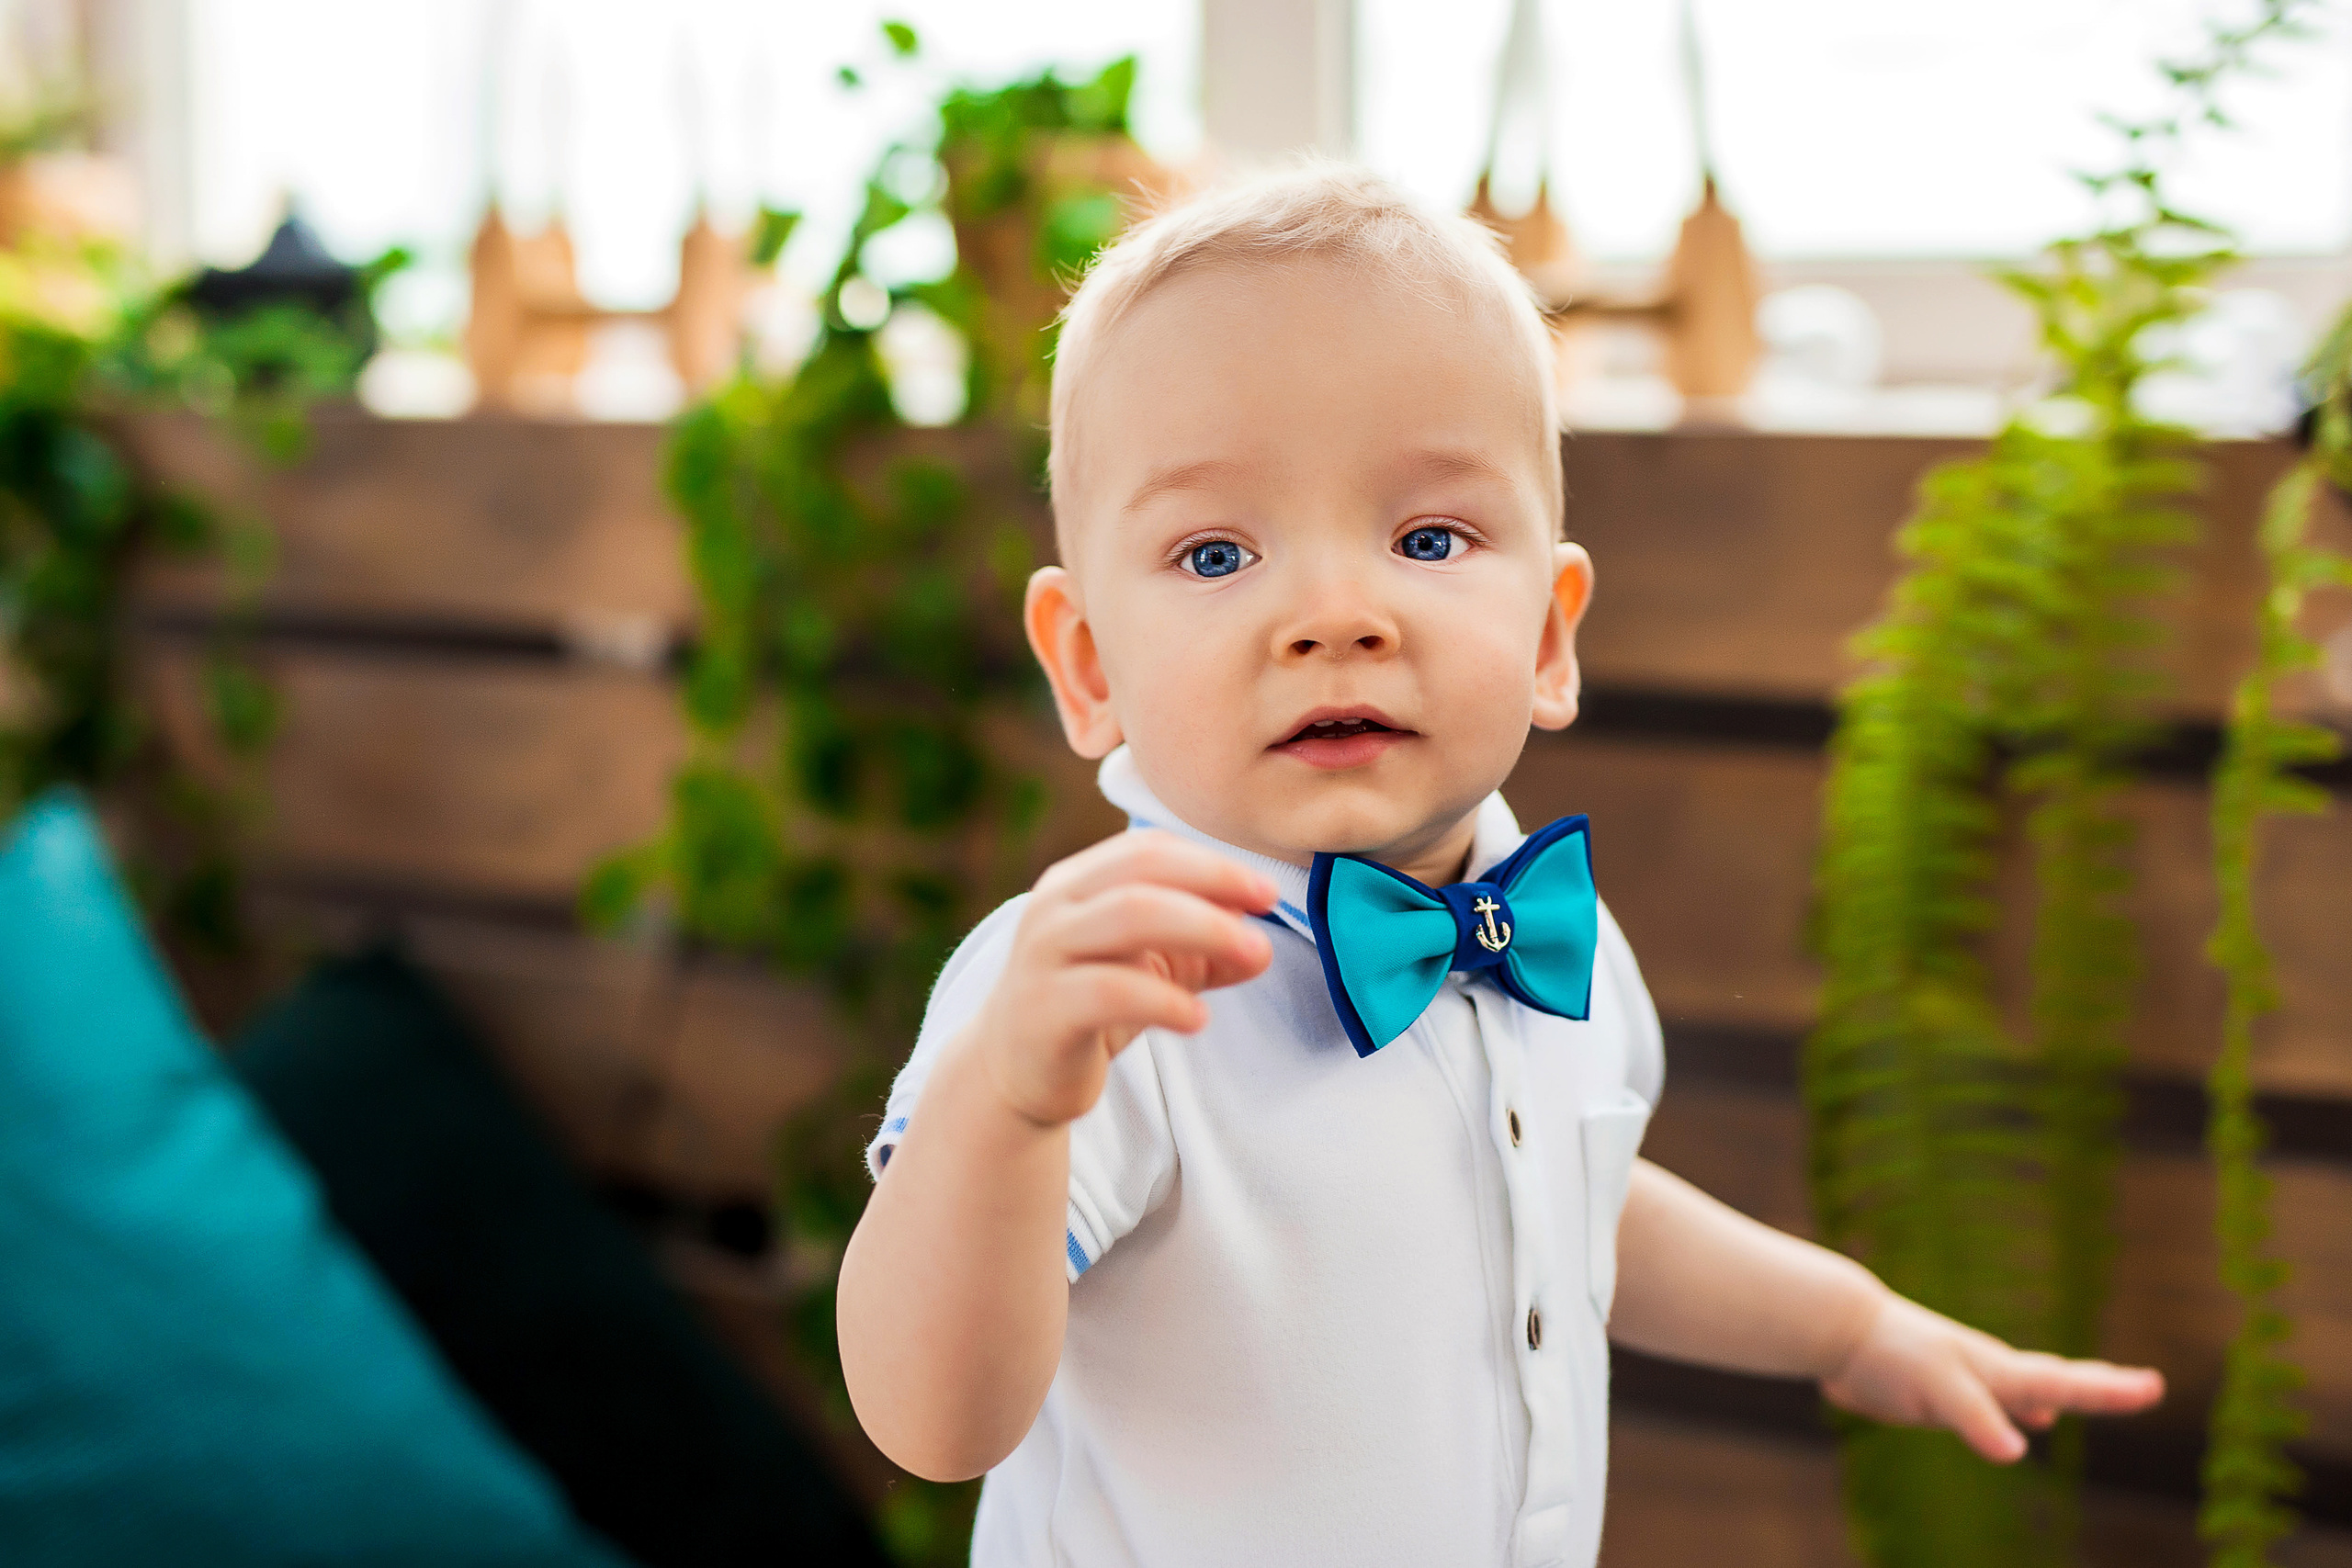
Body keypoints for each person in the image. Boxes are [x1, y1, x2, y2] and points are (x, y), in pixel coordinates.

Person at [833, 164, 2163, 1568]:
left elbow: (1578, 1209)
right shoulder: (1096, 994)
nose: (1334, 615)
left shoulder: (1544, 931)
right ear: (1088, 665)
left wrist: (1849, 1326)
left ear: (1546, 636)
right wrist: (1008, 1112)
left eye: (1428, 537)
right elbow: (934, 1423)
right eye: (1217, 551)